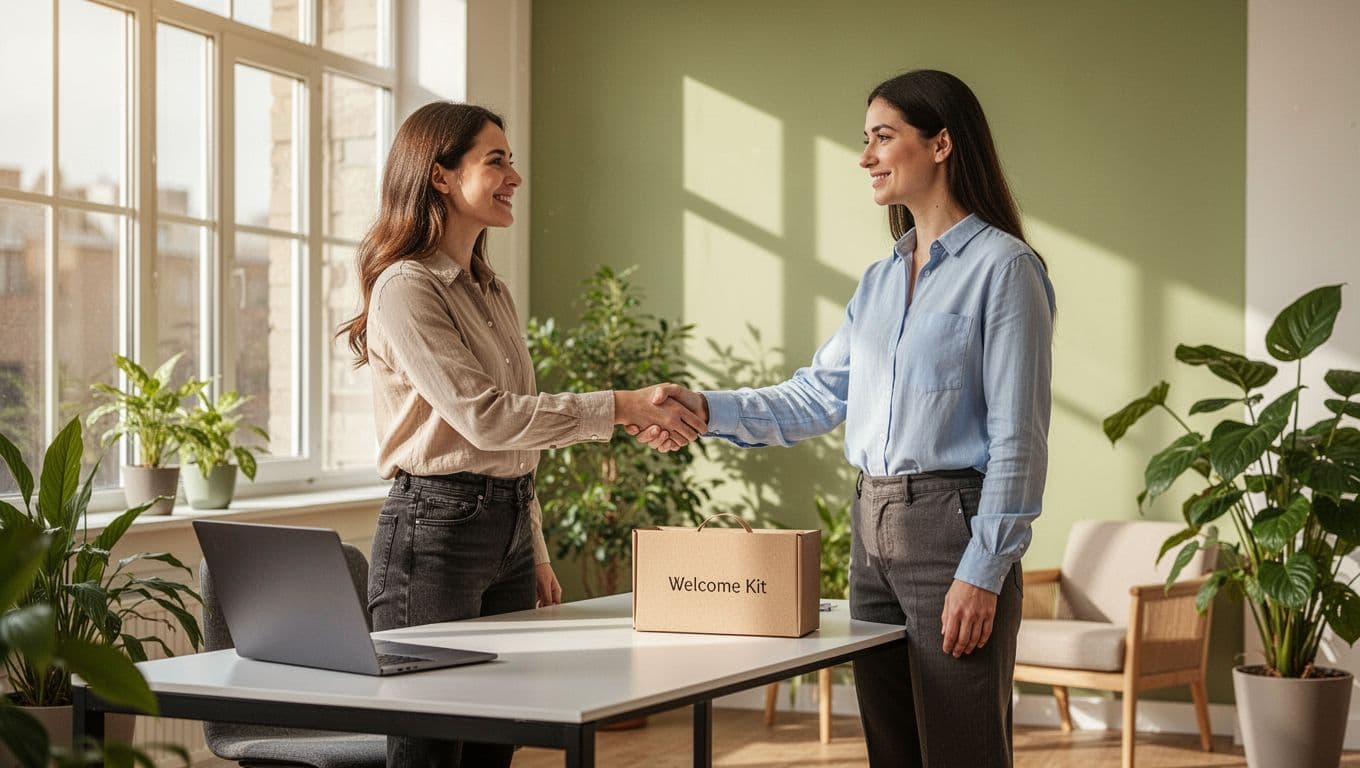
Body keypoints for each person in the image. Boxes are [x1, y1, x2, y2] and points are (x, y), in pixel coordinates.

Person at [634, 70, 1055, 767]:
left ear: (942, 143)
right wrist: (704, 410)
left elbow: (1019, 438)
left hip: (952, 527)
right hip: (872, 527)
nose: (865, 157)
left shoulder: (1005, 269)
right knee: (891, 748)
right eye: (865, 140)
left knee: (961, 749)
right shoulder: (881, 281)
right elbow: (814, 397)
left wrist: (983, 571)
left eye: (883, 138)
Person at [338, 102, 706, 768]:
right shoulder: (405, 287)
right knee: (429, 748)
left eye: (512, 160)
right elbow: (488, 416)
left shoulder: (491, 290)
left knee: (492, 747)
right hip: (434, 531)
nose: (515, 176)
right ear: (442, 176)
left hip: (502, 525)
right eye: (496, 160)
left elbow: (516, 436)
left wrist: (531, 545)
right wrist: (623, 406)